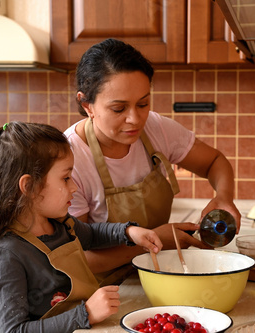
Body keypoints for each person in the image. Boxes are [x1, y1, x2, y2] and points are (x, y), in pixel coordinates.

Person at [64, 38, 241, 283]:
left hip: (157, 274)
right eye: (119, 109)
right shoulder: (70, 160)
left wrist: (224, 196)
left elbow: (214, 162)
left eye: (143, 103)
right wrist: (154, 241)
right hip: (104, 290)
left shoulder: (156, 128)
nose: (135, 119)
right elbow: (77, 260)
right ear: (87, 105)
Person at [0, 122, 163, 333]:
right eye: (66, 178)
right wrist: (85, 314)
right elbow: (13, 330)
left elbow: (92, 235)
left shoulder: (62, 224)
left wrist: (127, 232)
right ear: (29, 187)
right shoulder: (7, 256)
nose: (74, 187)